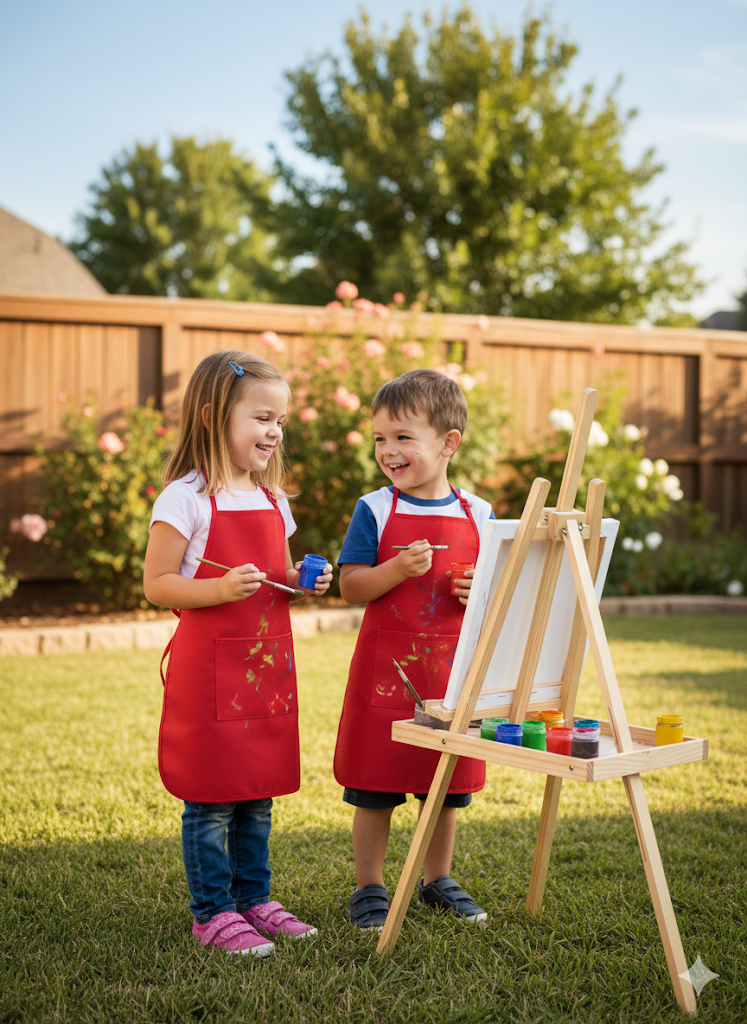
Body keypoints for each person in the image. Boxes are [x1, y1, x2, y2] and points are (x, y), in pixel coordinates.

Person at [143, 350, 332, 957]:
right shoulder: (186, 498)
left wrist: (304, 581)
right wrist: (219, 590)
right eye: (262, 417)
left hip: (265, 672)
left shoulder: (275, 501)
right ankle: (212, 912)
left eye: (280, 421)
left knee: (256, 791)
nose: (274, 432)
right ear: (212, 416)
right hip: (208, 674)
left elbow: (274, 578)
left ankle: (255, 899)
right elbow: (158, 584)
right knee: (211, 797)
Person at [333, 368, 495, 931]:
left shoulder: (479, 513)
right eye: (380, 438)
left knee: (443, 785)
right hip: (386, 674)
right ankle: (370, 887)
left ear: (449, 443)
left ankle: (437, 880)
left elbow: (496, 594)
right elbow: (350, 584)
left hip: (451, 674)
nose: (388, 451)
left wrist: (479, 589)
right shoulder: (374, 508)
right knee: (375, 786)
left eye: (403, 437)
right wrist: (397, 569)